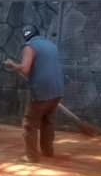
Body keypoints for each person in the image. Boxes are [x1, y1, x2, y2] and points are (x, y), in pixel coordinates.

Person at [4, 25, 64, 163]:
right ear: (38, 33)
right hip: (57, 89)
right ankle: (48, 151)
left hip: (42, 91)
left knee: (29, 123)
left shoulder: (30, 47)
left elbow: (24, 68)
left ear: (26, 37)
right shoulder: (52, 46)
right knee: (47, 121)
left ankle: (31, 156)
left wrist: (12, 64)